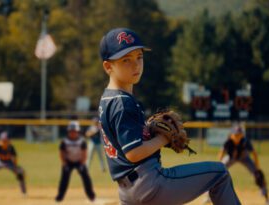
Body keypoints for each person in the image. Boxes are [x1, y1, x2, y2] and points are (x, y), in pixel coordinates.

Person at [97, 27, 241, 205]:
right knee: (220, 173)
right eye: (126, 60)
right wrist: (164, 138)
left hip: (127, 192)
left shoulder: (107, 99)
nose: (135, 65)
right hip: (149, 184)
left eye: (139, 57)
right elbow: (133, 153)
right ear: (108, 66)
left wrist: (148, 132)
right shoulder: (123, 103)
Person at [218, 124, 269, 205]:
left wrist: (257, 168)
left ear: (242, 134)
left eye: (239, 134)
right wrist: (219, 165)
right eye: (236, 134)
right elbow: (221, 152)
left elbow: (254, 153)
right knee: (217, 173)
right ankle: (208, 196)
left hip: (244, 157)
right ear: (232, 134)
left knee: (258, 175)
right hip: (231, 157)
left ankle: (267, 198)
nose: (237, 136)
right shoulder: (228, 141)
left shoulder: (245, 141)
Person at [55, 121, 96, 203]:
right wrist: (65, 163)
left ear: (78, 132)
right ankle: (60, 197)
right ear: (68, 132)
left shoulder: (82, 141)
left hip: (79, 161)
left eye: (75, 131)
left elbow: (84, 154)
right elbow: (62, 154)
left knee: (86, 178)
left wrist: (82, 164)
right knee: (64, 179)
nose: (73, 133)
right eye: (71, 131)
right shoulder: (64, 141)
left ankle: (91, 196)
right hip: (68, 161)